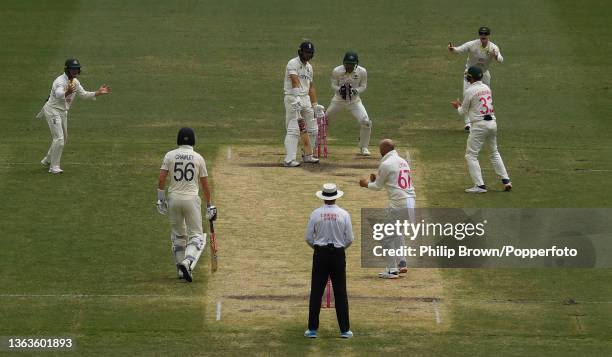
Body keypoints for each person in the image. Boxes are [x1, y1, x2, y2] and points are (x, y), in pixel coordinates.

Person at [156, 128, 218, 282]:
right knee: (197, 237)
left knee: (178, 236)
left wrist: (160, 199)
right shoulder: (198, 158)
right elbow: (204, 185)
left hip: (173, 199)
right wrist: (210, 205)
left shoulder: (170, 155)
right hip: (191, 200)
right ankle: (188, 262)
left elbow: (162, 179)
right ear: (193, 141)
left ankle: (181, 271)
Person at [38, 58, 111, 174]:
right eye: (73, 69)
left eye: (77, 69)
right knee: (59, 139)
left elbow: (84, 94)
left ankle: (47, 160)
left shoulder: (75, 82)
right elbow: (58, 94)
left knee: (63, 138)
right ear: (67, 69)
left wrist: (98, 92)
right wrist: (67, 92)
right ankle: (54, 167)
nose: (75, 71)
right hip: (52, 110)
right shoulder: (60, 81)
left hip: (63, 111)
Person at [451, 66, 512, 193]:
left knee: (471, 155)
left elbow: (463, 112)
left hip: (479, 125)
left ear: (470, 77)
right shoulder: (486, 88)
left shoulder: (470, 91)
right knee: (494, 152)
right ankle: (506, 180)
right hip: (492, 124)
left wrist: (457, 106)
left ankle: (480, 186)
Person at [359, 139, 415, 278]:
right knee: (398, 231)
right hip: (411, 203)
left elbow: (377, 186)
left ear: (383, 150)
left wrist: (365, 184)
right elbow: (391, 181)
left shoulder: (386, 163)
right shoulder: (403, 161)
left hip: (398, 204)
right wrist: (374, 180)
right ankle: (402, 263)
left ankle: (392, 270)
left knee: (385, 236)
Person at [304, 183, 354, 339]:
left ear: (324, 197)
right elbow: (350, 238)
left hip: (320, 254)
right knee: (340, 292)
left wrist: (318, 248)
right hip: (338, 254)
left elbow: (308, 237)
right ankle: (344, 330)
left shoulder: (316, 214)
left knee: (316, 292)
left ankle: (312, 329)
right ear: (336, 197)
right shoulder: (344, 214)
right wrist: (340, 249)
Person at [448, 26, 503, 132]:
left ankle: (486, 119)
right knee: (467, 95)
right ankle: (468, 123)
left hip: (484, 74)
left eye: (485, 35)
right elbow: (459, 50)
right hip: (470, 74)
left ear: (488, 36)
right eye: (481, 34)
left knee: (486, 95)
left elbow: (501, 59)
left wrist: (496, 57)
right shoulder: (472, 44)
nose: (483, 36)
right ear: (479, 35)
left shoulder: (493, 48)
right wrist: (452, 49)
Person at [283, 41, 325, 167]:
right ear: (300, 52)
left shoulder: (309, 67)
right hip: (292, 97)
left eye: (310, 53)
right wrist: (296, 98)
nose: (307, 55)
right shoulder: (292, 63)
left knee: (313, 129)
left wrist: (315, 105)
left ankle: (308, 155)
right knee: (294, 129)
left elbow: (311, 87)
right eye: (306, 52)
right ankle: (289, 160)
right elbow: (294, 81)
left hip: (305, 98)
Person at [325, 52, 372, 156]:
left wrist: (355, 91)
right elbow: (333, 85)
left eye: (351, 64)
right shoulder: (337, 71)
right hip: (338, 100)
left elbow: (363, 86)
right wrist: (340, 89)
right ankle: (317, 143)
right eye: (347, 64)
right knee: (324, 119)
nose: (349, 66)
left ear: (356, 63)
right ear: (343, 63)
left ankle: (363, 147)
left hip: (354, 101)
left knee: (366, 122)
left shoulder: (362, 71)